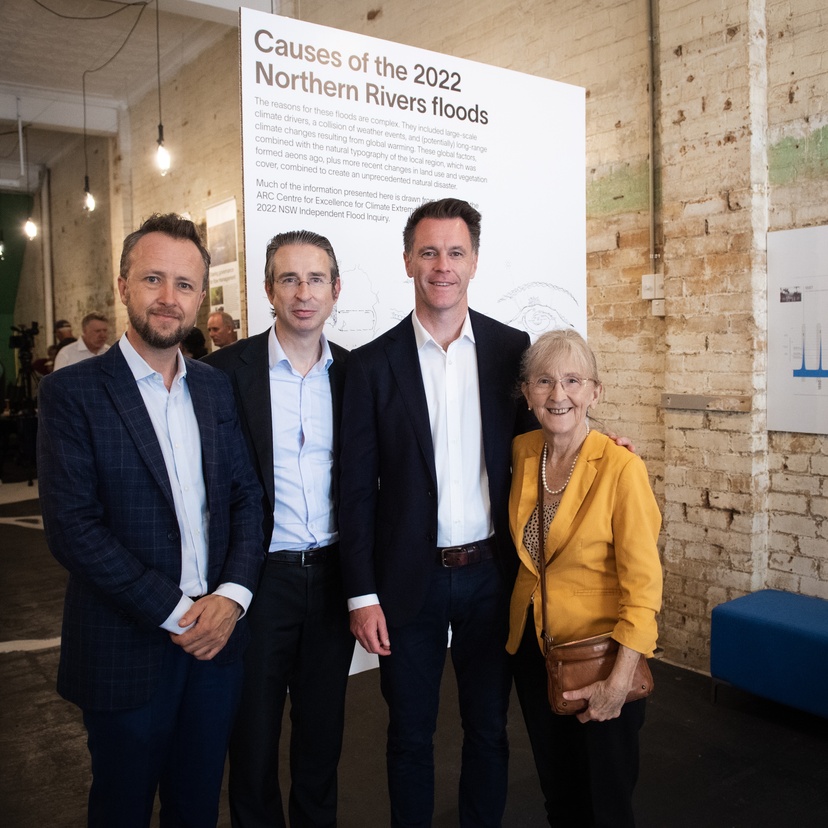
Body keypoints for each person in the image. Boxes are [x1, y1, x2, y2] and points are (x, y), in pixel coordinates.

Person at [36, 213, 265, 828]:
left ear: (200, 297)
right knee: (122, 807)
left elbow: (246, 499)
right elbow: (73, 528)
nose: (169, 298)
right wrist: (176, 610)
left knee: (196, 807)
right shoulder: (72, 394)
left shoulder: (216, 390)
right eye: (153, 279)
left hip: (217, 643)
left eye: (185, 285)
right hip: (125, 646)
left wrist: (233, 597)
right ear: (123, 286)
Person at [338, 198, 534, 827]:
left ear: (474, 261)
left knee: (488, 730)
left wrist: (601, 444)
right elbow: (355, 490)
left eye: (455, 252)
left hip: (490, 577)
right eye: (428, 252)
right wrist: (361, 595)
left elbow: (543, 445)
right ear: (406, 261)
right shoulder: (370, 365)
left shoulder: (512, 350)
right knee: (408, 736)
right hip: (405, 583)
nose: (441, 266)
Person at [204, 230, 353, 828]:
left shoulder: (355, 374)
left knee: (323, 740)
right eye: (288, 279)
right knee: (254, 741)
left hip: (333, 577)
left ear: (335, 289)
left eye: (316, 278)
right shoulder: (221, 374)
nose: (303, 292)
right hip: (258, 581)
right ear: (268, 290)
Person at [507, 329, 662, 828]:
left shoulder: (621, 467)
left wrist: (619, 681)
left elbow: (643, 588)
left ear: (595, 391)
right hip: (537, 653)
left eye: (573, 380)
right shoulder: (524, 452)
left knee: (606, 805)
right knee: (560, 798)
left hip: (602, 657)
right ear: (527, 393)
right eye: (544, 381)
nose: (559, 394)